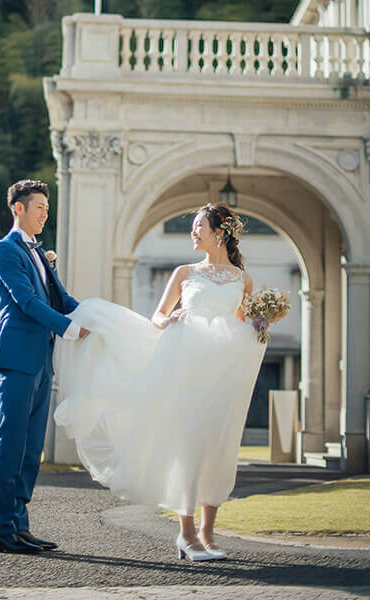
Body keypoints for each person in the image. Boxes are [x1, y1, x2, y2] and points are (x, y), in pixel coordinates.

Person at [54, 202, 266, 562]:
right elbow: (158, 316)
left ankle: (208, 535)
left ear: (220, 232)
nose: (193, 232)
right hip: (185, 368)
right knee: (188, 446)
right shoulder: (185, 273)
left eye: (199, 226)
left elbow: (242, 325)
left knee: (220, 446)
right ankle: (186, 535)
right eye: (193, 226)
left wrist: (261, 325)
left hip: (223, 375)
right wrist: (172, 320)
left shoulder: (243, 279)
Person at [0, 178, 89, 555]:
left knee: (31, 449)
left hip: (42, 363)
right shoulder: (5, 251)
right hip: (15, 359)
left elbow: (60, 298)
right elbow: (27, 302)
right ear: (19, 208)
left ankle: (20, 525)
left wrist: (100, 319)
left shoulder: (39, 252)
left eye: (48, 207)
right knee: (11, 443)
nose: (46, 213)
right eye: (40, 207)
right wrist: (71, 329)